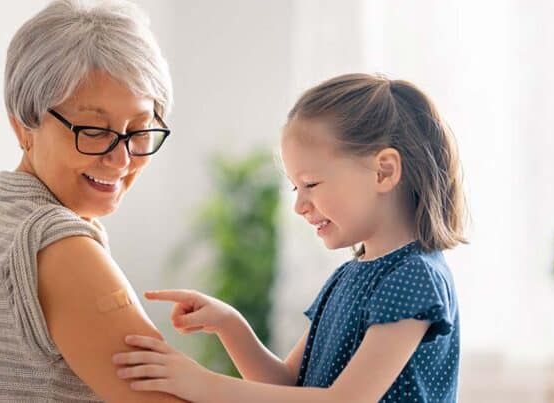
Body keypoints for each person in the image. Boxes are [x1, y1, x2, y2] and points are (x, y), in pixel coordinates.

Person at [113, 73, 467, 402]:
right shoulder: (349, 275)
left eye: (310, 184)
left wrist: (203, 384)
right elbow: (285, 386)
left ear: (383, 171)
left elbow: (345, 400)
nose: (298, 205)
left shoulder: (415, 277)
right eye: (296, 187)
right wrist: (231, 326)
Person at [0, 1, 184, 401]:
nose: (121, 159)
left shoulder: (1, 219)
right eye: (93, 129)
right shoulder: (57, 245)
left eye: (139, 129)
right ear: (23, 126)